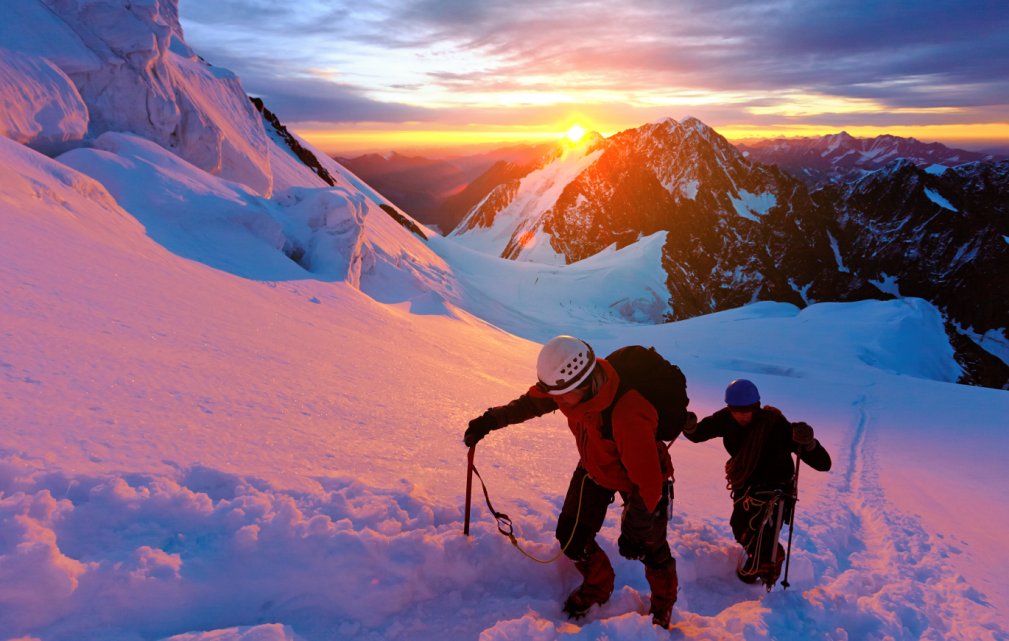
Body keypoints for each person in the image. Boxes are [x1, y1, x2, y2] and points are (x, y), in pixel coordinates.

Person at [464, 336, 679, 629]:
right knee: (572, 536)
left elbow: (648, 483)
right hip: (595, 468)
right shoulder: (568, 389)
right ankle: (599, 585)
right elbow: (530, 404)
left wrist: (635, 531)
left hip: (642, 480)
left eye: (564, 396)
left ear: (588, 382)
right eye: (556, 395)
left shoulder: (628, 412)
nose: (559, 402)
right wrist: (490, 420)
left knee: (651, 549)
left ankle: (663, 606)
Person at [682, 379, 831, 586]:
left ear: (755, 408)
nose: (739, 417)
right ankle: (766, 558)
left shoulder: (777, 426)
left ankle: (763, 568)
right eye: (735, 412)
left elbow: (823, 464)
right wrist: (689, 427)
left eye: (744, 413)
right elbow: (699, 433)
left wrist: (810, 444)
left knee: (764, 534)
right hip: (746, 486)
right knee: (739, 527)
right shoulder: (726, 419)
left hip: (776, 489)